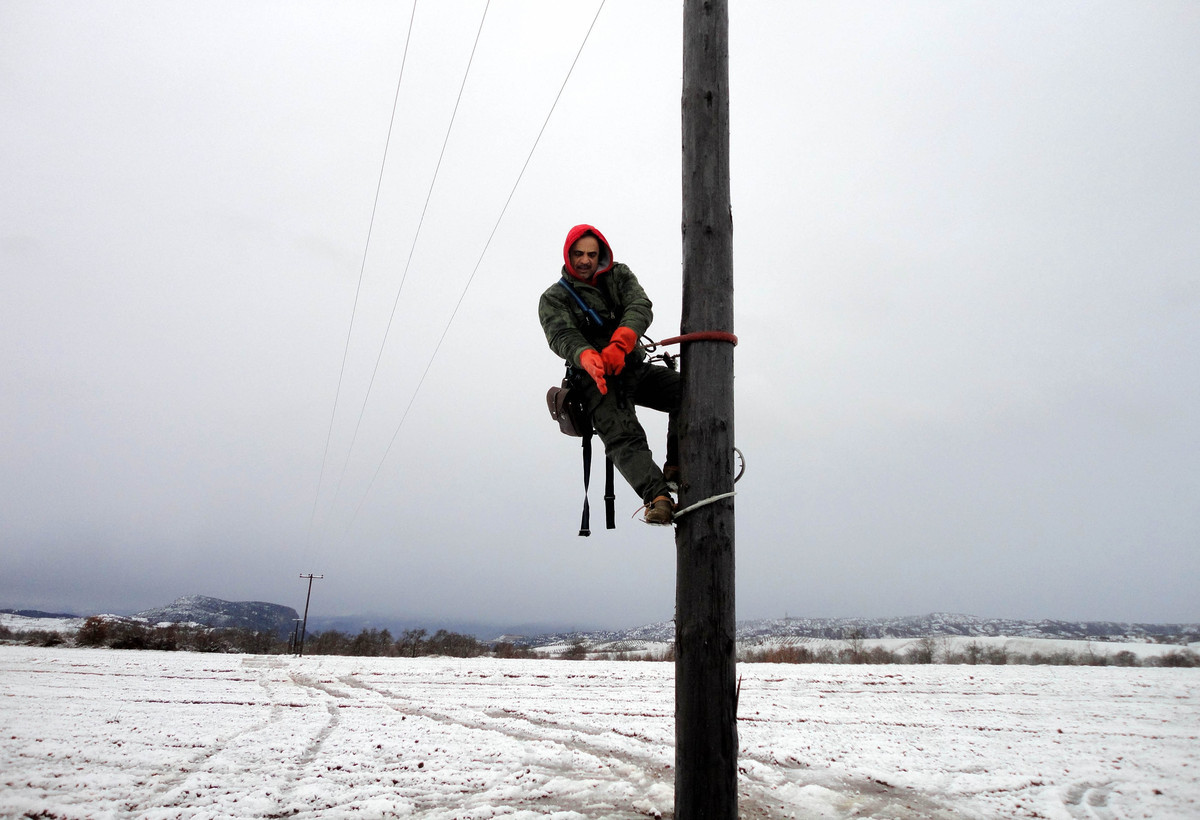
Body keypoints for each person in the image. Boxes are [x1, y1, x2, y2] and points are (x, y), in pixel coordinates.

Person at [539, 224, 680, 525]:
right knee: (623, 435)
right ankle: (659, 498)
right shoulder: (554, 298)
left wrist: (621, 342)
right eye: (578, 254)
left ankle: (678, 468)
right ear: (568, 255)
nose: (585, 260)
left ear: (600, 254)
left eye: (591, 254)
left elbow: (640, 305)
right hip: (595, 382)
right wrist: (587, 356)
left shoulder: (619, 276)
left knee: (688, 392)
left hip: (631, 367)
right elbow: (561, 334)